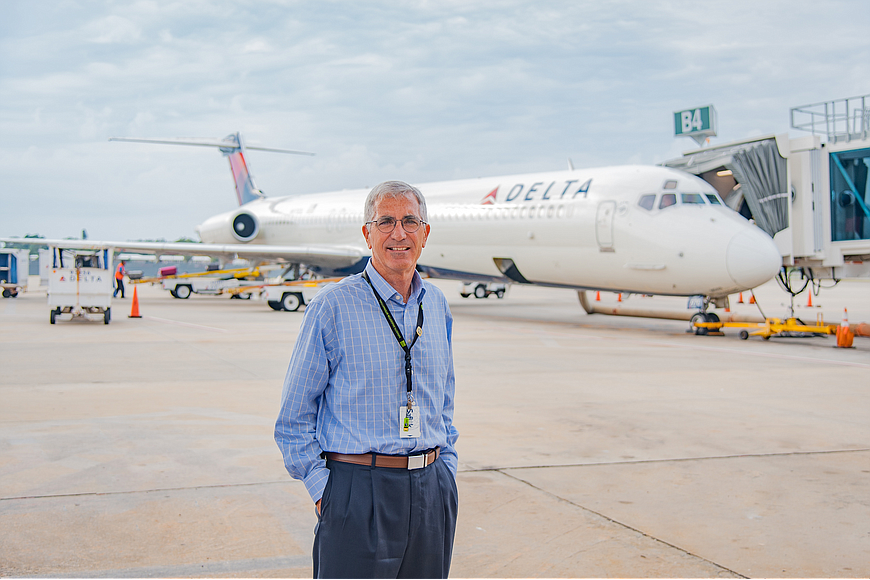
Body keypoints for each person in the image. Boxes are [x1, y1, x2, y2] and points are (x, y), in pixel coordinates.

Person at [275, 181, 459, 579]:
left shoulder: (438, 306)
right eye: (386, 221)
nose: (399, 233)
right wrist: (327, 493)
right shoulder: (333, 307)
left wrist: (447, 470)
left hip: (431, 490)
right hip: (357, 491)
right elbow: (293, 419)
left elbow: (443, 401)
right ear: (367, 233)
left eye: (410, 221)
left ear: (425, 233)